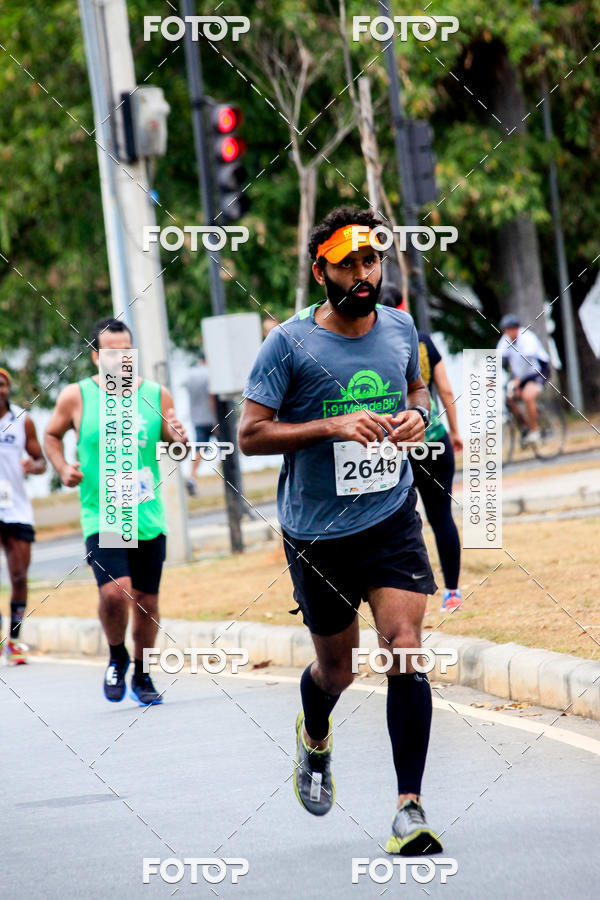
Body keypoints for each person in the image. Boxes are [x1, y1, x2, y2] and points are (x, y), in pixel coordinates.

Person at [239, 205, 443, 856]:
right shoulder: (288, 344)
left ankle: (408, 808)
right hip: (317, 533)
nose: (365, 274)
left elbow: (417, 392)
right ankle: (316, 734)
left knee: (405, 645)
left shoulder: (401, 326)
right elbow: (250, 434)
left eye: (372, 260)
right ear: (320, 268)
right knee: (338, 669)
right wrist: (331, 425)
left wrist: (417, 416)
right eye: (350, 263)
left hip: (388, 515)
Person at [44, 318, 187, 705]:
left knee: (147, 601)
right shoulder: (77, 397)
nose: (122, 359)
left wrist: (179, 439)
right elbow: (52, 434)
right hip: (102, 513)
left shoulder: (156, 395)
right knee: (114, 593)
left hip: (147, 513)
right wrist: (61, 467)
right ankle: (116, 655)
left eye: (127, 351)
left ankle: (142, 673)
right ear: (96, 357)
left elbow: (176, 449)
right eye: (112, 352)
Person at [380, 285, 463, 612]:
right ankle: (452, 593)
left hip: (395, 445)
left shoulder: (374, 344)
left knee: (399, 520)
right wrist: (455, 431)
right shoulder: (423, 341)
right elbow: (444, 390)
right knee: (441, 515)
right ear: (403, 305)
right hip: (432, 437)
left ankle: (407, 597)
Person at [0, 367, 46, 664]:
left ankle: (14, 640)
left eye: (4, 383)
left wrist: (34, 465)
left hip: (16, 507)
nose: (0, 388)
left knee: (19, 574)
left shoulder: (22, 421)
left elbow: (41, 460)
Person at [497, 313, 550, 444]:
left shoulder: (527, 338)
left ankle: (534, 431)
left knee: (527, 395)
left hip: (537, 371)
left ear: (516, 328)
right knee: (509, 398)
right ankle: (525, 426)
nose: (508, 332)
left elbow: (528, 362)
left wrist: (517, 380)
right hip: (520, 375)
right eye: (506, 330)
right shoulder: (504, 341)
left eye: (510, 329)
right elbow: (498, 361)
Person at [182, 353, 216, 496]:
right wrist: (216, 420)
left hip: (197, 419)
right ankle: (230, 478)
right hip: (212, 418)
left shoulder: (190, 375)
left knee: (199, 449)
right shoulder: (211, 373)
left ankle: (192, 477)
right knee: (228, 447)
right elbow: (211, 397)